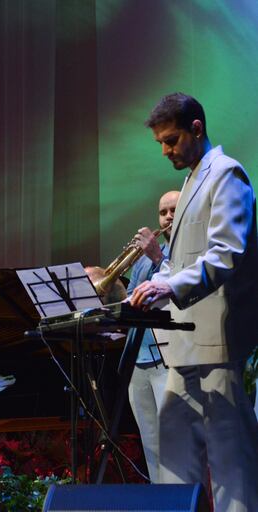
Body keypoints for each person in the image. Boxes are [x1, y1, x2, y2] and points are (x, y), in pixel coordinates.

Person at [130, 93, 258, 511]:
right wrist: (158, 281)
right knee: (172, 451)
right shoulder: (191, 179)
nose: (165, 151)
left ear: (196, 129)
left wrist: (170, 286)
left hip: (217, 340)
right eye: (161, 144)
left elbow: (226, 253)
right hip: (184, 343)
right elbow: (184, 260)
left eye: (171, 141)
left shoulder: (226, 173)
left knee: (229, 460)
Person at [124, 190, 178, 483]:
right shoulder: (141, 262)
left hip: (167, 357)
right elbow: (130, 299)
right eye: (163, 212)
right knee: (151, 445)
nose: (167, 217)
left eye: (173, 210)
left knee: (174, 444)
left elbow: (177, 289)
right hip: (138, 357)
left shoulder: (184, 251)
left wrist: (158, 256)